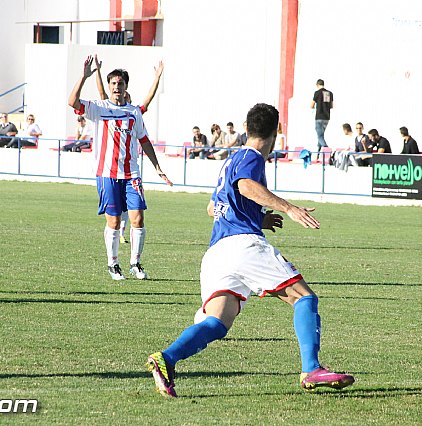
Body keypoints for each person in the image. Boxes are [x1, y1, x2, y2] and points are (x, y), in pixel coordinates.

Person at [147, 103, 354, 398]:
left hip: (216, 253)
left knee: (217, 322)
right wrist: (287, 208)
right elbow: (245, 186)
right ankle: (311, 369)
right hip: (242, 246)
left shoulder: (230, 160)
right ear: (276, 132)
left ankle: (166, 359)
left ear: (246, 128)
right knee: (304, 297)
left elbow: (212, 208)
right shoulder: (252, 157)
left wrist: (258, 216)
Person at [67, 55, 172, 281]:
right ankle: (113, 264)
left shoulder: (134, 113)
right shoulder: (98, 108)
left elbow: (144, 141)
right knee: (114, 222)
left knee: (137, 219)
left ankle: (135, 262)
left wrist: (157, 167)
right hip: (107, 174)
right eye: (113, 83)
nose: (117, 87)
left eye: (120, 83)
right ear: (109, 86)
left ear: (126, 87)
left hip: (131, 174)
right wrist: (84, 76)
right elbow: (72, 101)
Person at [310, 79, 333, 160]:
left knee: (319, 136)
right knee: (321, 135)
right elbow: (331, 106)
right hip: (327, 117)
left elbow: (311, 105)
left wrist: (314, 107)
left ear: (317, 85)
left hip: (319, 116)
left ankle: (326, 149)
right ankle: (318, 155)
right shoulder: (329, 93)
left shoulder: (317, 93)